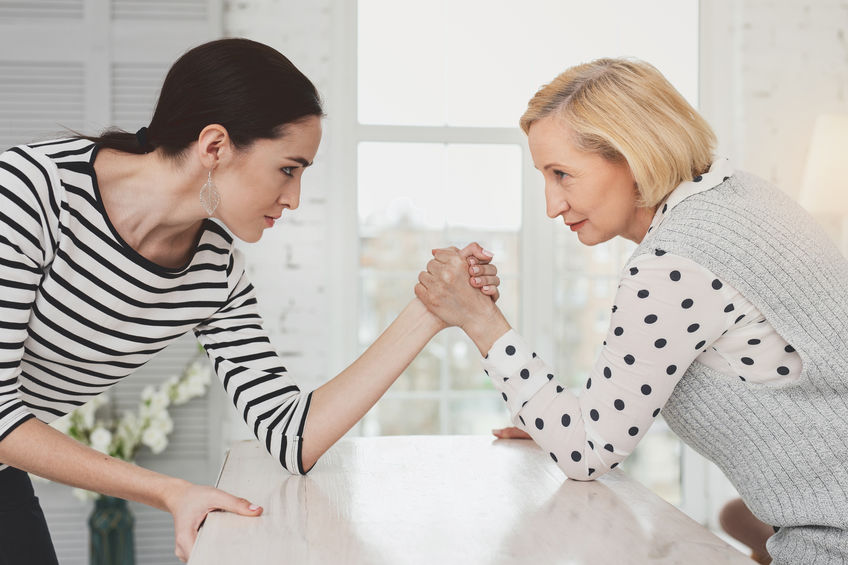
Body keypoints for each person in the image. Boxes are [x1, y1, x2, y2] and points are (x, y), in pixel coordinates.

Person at [0, 38, 501, 564]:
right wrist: (170, 491)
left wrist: (430, 310)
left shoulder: (215, 271)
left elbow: (291, 435)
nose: (295, 198)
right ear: (215, 146)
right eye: (288, 168)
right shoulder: (32, 192)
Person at [415, 58, 848, 565]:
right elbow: (626, 402)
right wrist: (555, 418)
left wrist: (480, 320)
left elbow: (586, 452)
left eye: (562, 175)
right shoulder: (737, 195)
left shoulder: (673, 262)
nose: (552, 205)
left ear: (633, 156)